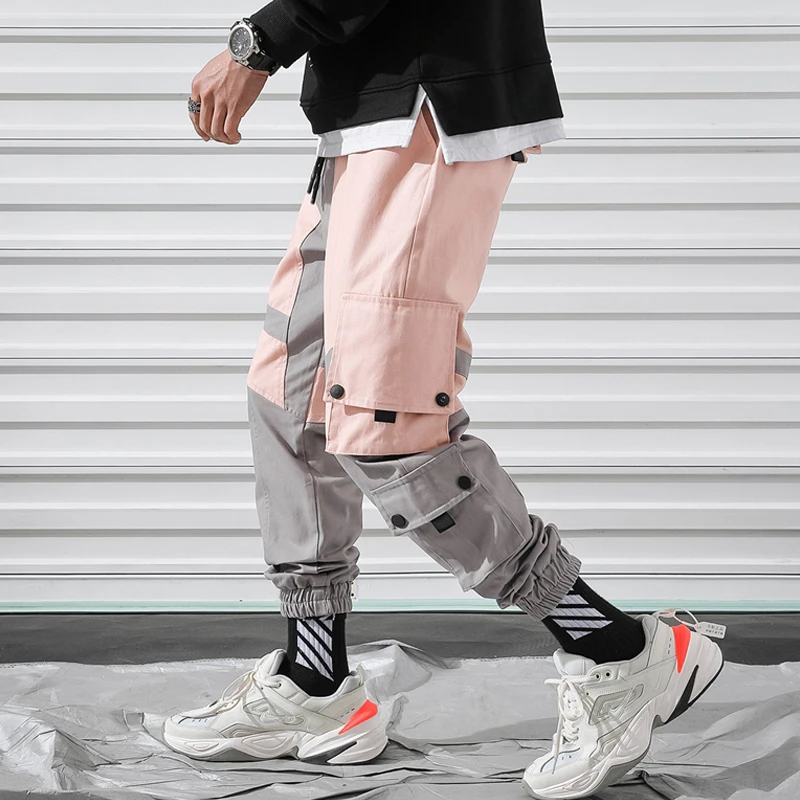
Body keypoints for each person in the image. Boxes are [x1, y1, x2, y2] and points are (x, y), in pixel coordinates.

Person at [165, 2, 726, 796]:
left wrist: (262, 41)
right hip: (370, 112)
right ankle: (315, 680)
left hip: (430, 107)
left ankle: (618, 649)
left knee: (384, 416)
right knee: (291, 398)